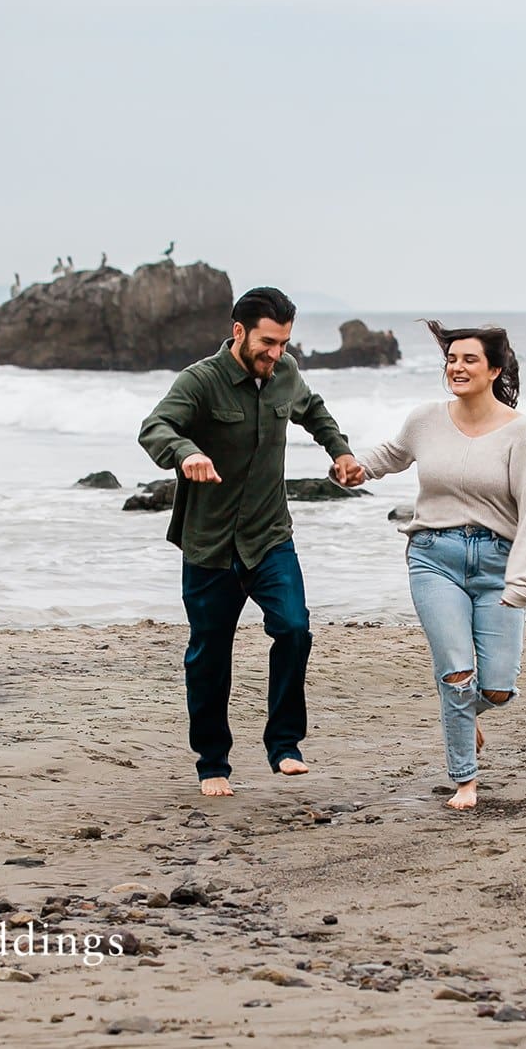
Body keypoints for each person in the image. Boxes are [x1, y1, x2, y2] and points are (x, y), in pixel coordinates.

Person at [138, 287, 362, 797]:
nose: (276, 353)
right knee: (210, 655)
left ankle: (284, 744)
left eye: (284, 342)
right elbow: (155, 427)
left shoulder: (285, 373)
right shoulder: (201, 380)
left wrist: (340, 452)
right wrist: (185, 453)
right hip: (211, 544)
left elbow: (315, 411)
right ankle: (212, 762)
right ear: (239, 332)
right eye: (268, 342)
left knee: (295, 629)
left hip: (269, 537)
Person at [349, 321, 526, 810]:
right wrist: (356, 466)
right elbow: (392, 455)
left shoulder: (521, 433)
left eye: (469, 360)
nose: (457, 368)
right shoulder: (426, 419)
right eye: (451, 360)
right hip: (432, 558)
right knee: (457, 674)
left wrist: (519, 581)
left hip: (497, 564)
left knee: (497, 688)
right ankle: (465, 781)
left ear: (494, 369)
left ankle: (466, 712)